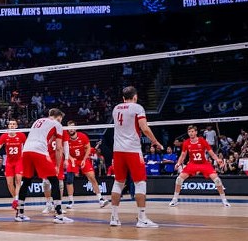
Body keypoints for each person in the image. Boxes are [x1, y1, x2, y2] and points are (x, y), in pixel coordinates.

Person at [109, 86, 163, 228]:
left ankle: (114, 218)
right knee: (140, 182)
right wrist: (155, 141)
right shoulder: (137, 108)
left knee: (118, 182)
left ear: (123, 98)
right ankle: (142, 218)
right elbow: (144, 128)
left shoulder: (116, 108)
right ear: (135, 97)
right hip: (132, 150)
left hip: (117, 150)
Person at [14, 108, 72, 224]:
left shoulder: (38, 121)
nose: (61, 121)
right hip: (39, 151)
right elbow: (59, 148)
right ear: (58, 117)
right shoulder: (57, 124)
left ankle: (19, 213)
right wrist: (57, 165)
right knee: (55, 181)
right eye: (61, 119)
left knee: (26, 181)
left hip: (26, 151)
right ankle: (59, 215)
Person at [169, 124, 230, 207]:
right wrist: (178, 163)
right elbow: (183, 155)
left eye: (192, 131)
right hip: (192, 164)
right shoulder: (186, 142)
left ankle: (224, 200)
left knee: (217, 180)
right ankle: (175, 199)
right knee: (179, 179)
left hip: (204, 164)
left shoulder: (202, 140)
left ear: (196, 132)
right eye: (189, 131)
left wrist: (217, 160)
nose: (191, 133)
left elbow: (211, 153)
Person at [64, 121, 108, 208]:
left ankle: (100, 199)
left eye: (72, 127)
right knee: (69, 179)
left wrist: (85, 159)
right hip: (72, 159)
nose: (71, 129)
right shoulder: (65, 137)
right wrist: (70, 158)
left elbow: (88, 147)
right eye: (69, 127)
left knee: (92, 177)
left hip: (83, 159)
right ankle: (70, 201)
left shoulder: (82, 136)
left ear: (75, 128)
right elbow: (63, 149)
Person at [0, 119, 26, 211]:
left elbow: (27, 146)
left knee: (18, 180)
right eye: (10, 124)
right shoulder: (4, 136)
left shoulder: (21, 135)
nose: (11, 125)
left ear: (16, 126)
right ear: (8, 126)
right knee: (9, 183)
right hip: (9, 162)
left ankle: (16, 200)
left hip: (19, 161)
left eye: (13, 124)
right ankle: (15, 198)